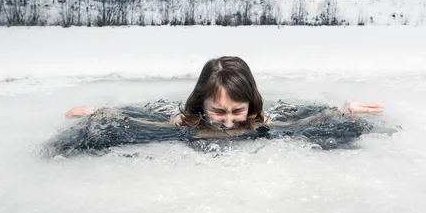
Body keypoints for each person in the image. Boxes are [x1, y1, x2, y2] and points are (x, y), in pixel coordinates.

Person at [65, 56, 383, 136]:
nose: (229, 122)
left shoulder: (260, 122)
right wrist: (99, 112)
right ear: (202, 103)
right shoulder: (186, 120)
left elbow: (304, 126)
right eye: (218, 111)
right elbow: (140, 120)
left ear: (251, 105)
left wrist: (341, 113)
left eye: (236, 111)